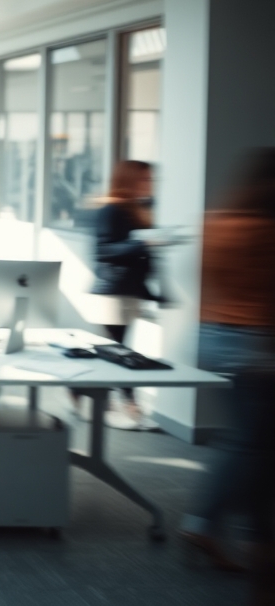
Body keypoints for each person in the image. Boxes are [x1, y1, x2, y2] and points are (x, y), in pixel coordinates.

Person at [179, 148, 275, 586]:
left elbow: (197, 275)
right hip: (256, 341)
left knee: (252, 443)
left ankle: (251, 535)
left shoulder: (216, 221)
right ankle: (204, 523)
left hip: (214, 334)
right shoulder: (265, 230)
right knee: (248, 446)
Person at [81, 160, 163, 427]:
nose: (150, 184)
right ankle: (130, 407)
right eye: (145, 179)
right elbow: (104, 251)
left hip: (129, 292)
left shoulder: (138, 210)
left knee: (115, 349)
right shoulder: (111, 210)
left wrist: (155, 292)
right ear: (128, 180)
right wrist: (141, 242)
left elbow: (144, 258)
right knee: (119, 350)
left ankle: (85, 394)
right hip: (112, 292)